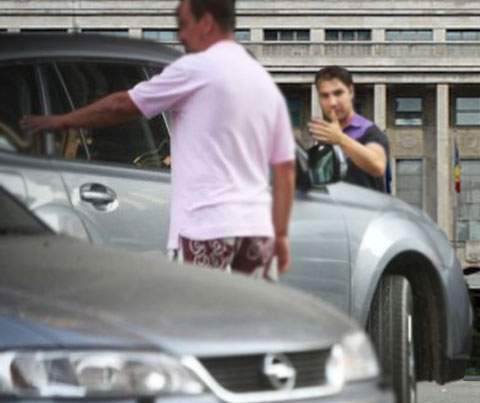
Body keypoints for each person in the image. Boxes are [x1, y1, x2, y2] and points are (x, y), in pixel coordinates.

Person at [20, 0, 296, 280]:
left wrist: (60, 121)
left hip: (207, 227)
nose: (180, 36)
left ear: (207, 23)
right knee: (254, 318)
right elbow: (286, 169)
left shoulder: (196, 68)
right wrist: (282, 235)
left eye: (183, 25)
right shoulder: (263, 81)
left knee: (194, 317)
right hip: (258, 231)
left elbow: (122, 106)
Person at [308, 65, 390, 192]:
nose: (332, 102)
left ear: (351, 91)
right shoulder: (324, 139)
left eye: (338, 93)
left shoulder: (370, 132)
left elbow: (378, 166)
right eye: (325, 96)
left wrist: (340, 139)